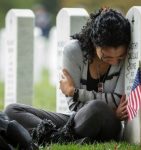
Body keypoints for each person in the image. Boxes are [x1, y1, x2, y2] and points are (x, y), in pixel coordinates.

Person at [4, 8, 131, 146]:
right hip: (76, 119)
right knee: (12, 110)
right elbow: (74, 105)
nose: (114, 62)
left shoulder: (126, 57)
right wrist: (107, 104)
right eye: (106, 57)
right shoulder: (73, 51)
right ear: (95, 43)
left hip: (108, 124)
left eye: (119, 58)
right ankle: (60, 138)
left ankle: (53, 137)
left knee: (97, 108)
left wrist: (74, 92)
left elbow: (118, 100)